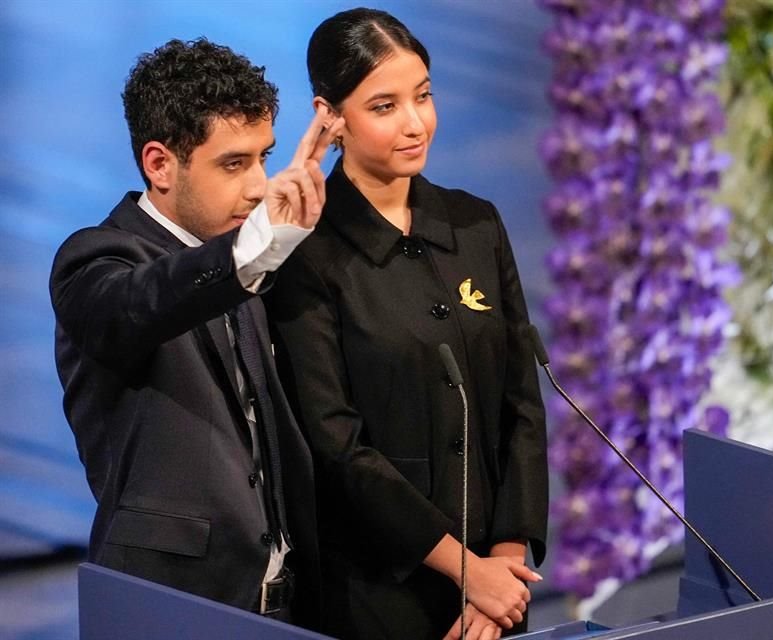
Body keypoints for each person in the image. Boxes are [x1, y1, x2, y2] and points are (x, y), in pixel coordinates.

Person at [265, 8, 548, 640]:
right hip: (376, 591)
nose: (416, 123)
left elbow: (521, 404)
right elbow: (336, 444)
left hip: (498, 597)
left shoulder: (477, 224)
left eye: (422, 96)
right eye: (385, 106)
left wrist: (502, 566)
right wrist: (464, 569)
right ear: (330, 118)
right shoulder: (306, 254)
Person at [50, 38, 343, 627]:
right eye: (233, 164)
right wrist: (257, 246)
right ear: (159, 164)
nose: (258, 185)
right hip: (169, 606)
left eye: (264, 157)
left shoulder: (246, 256)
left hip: (282, 607)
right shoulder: (96, 260)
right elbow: (149, 301)